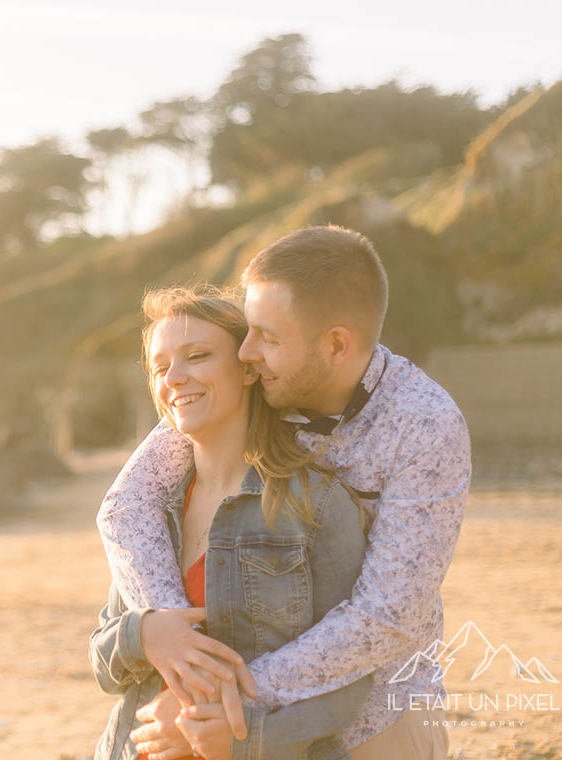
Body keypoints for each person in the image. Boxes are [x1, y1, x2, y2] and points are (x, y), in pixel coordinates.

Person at [97, 226, 468, 759]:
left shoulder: (424, 425)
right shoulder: (259, 382)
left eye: (266, 337)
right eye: (248, 332)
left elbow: (387, 616)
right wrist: (168, 641)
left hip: (378, 711)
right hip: (227, 722)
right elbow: (126, 506)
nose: (246, 353)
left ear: (336, 345)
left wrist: (221, 697)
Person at [90, 284, 373, 760]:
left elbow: (348, 675)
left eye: (197, 356)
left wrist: (238, 738)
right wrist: (145, 633)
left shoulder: (317, 506)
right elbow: (103, 662)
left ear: (247, 367)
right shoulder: (146, 514)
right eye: (160, 367)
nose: (174, 378)